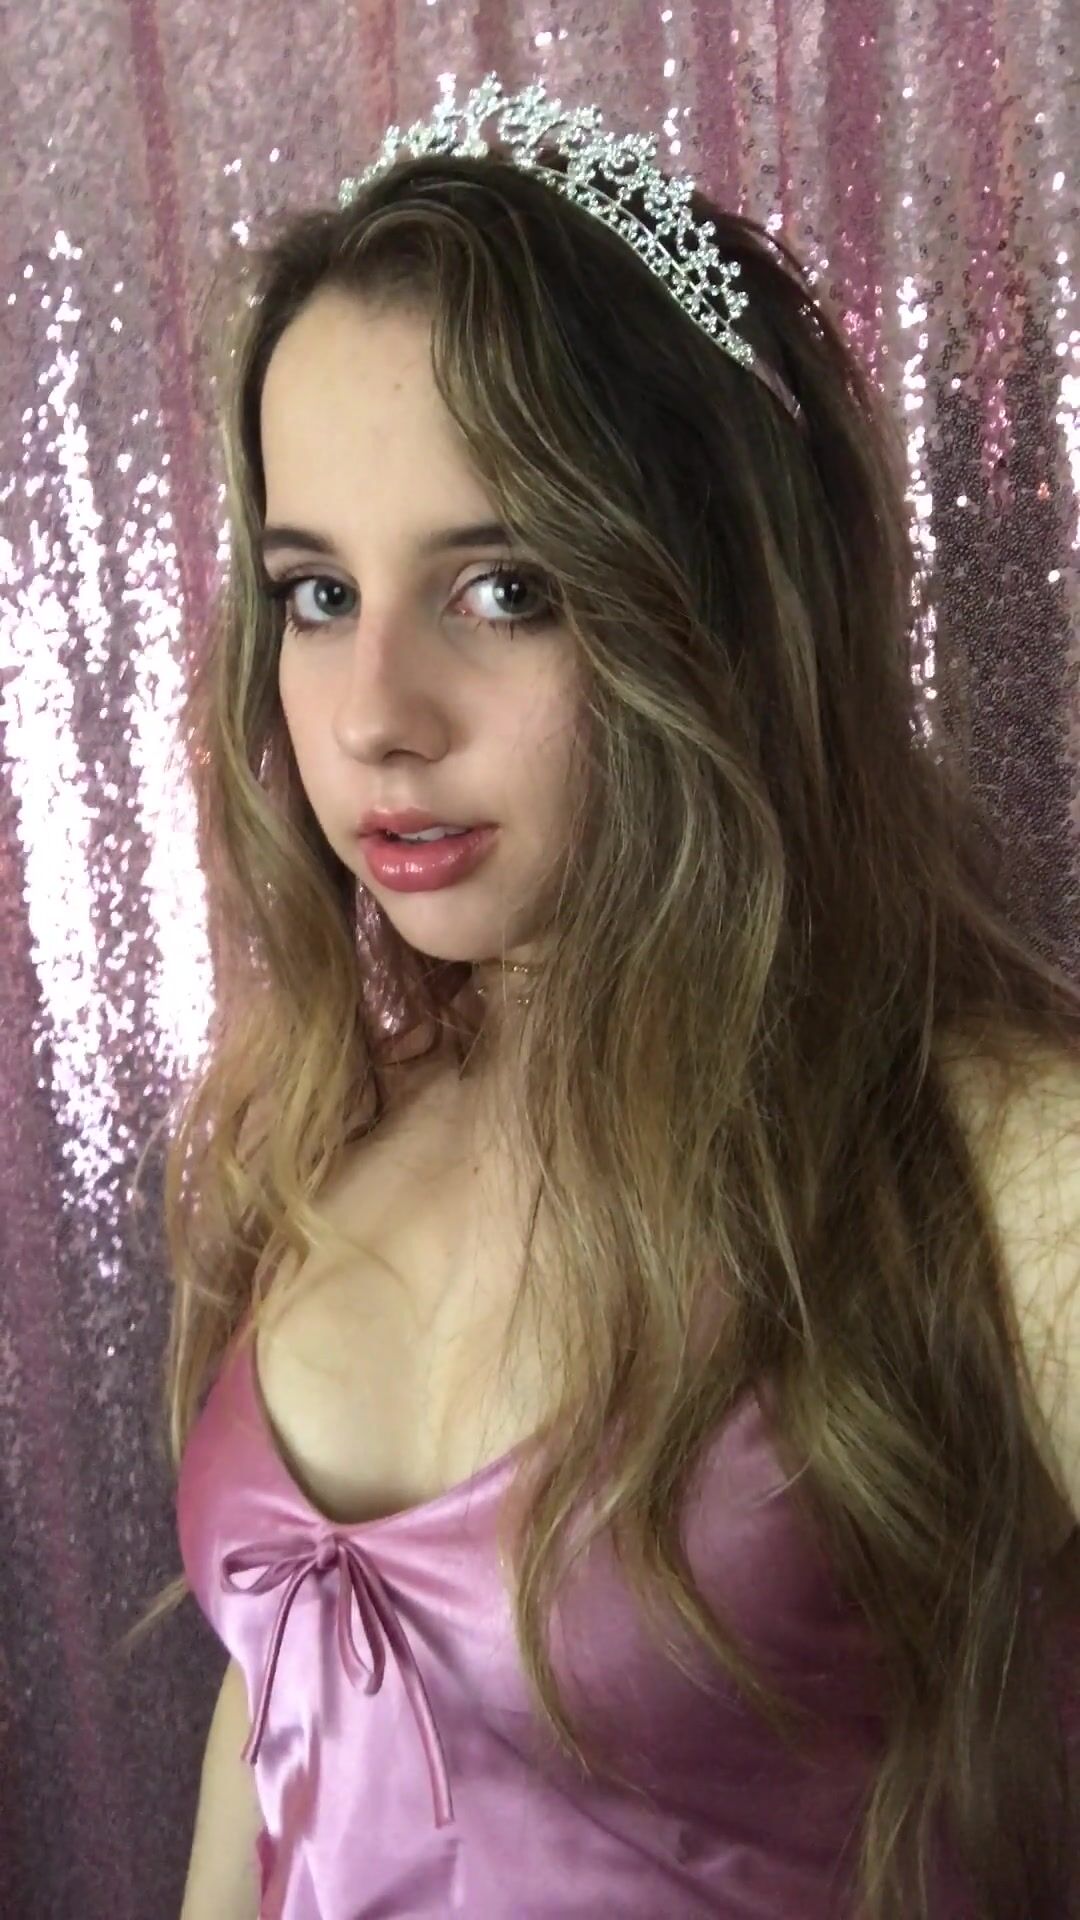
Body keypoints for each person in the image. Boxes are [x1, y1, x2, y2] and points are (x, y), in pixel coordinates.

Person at [122, 77, 1080, 1920]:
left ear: (715, 601)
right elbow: (283, 1724)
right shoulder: (326, 1121)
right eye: (316, 594)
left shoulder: (994, 1167)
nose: (377, 715)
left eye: (504, 586)